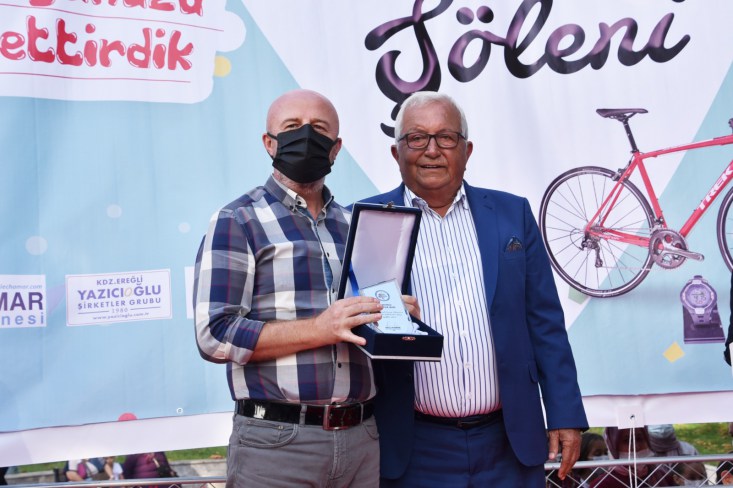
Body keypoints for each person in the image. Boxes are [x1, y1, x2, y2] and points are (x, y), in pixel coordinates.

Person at [359, 91, 588, 487]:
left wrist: (564, 412)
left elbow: (545, 323)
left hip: (508, 441)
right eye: (417, 138)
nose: (432, 150)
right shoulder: (371, 220)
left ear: (467, 150)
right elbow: (353, 327)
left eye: (446, 137)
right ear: (396, 153)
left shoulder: (512, 214)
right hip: (413, 447)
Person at [193, 89, 396, 487]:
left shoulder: (355, 225)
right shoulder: (238, 220)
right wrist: (319, 329)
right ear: (269, 143)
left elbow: (368, 327)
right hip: (277, 444)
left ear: (335, 148)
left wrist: (393, 316)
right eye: (291, 126)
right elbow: (214, 335)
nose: (305, 136)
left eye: (319, 128)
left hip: (362, 438)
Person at [590, 427, 666, 488]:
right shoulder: (602, 484)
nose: (636, 446)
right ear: (613, 446)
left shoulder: (662, 477)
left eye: (639, 439)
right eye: (627, 441)